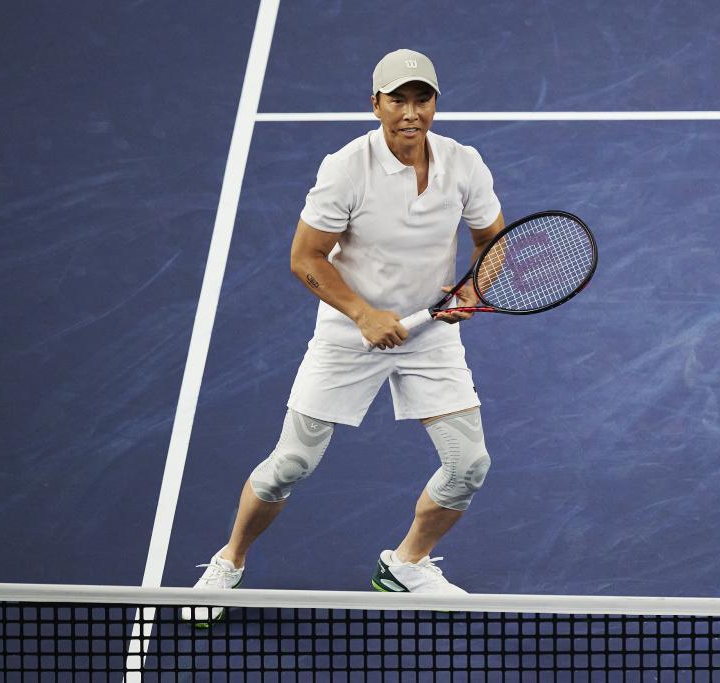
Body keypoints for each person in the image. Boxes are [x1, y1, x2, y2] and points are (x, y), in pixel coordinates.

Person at [184, 48, 505, 625]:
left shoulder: (464, 163)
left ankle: (406, 564)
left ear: (435, 103)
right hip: (348, 335)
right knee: (291, 463)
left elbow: (491, 241)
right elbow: (305, 257)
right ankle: (229, 560)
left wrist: (471, 291)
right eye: (398, 100)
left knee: (468, 466)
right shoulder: (346, 168)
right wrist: (362, 314)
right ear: (375, 104)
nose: (411, 112)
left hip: (429, 332)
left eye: (422, 99)